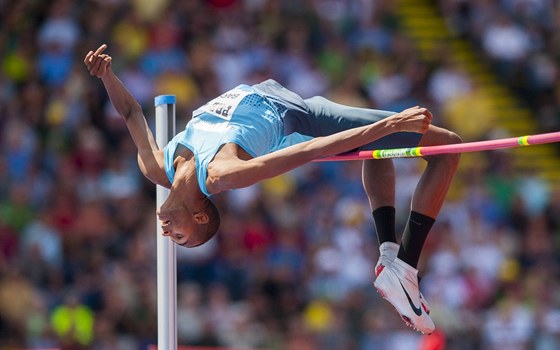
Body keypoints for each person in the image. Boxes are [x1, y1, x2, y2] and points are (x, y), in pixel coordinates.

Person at [84, 44, 462, 334]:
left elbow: (132, 114)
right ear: (199, 216)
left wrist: (106, 76)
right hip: (305, 122)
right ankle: (406, 269)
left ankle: (391, 259)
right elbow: (314, 148)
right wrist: (392, 122)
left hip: (291, 101)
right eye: (180, 236)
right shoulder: (224, 174)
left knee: (379, 150)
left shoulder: (155, 166)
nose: (165, 232)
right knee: (446, 147)